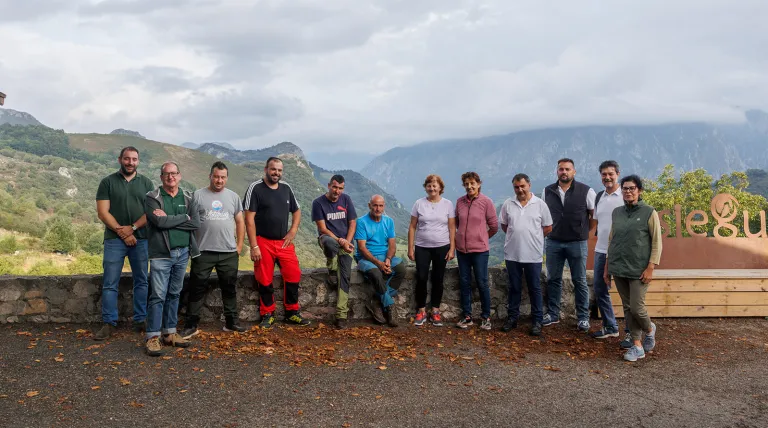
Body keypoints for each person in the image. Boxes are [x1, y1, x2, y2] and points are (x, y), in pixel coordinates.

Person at [93, 146, 155, 340]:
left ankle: (140, 320)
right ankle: (109, 323)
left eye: (134, 159)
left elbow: (150, 212)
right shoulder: (107, 182)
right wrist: (123, 232)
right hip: (114, 240)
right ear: (120, 159)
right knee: (110, 282)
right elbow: (103, 212)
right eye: (127, 159)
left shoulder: (146, 183)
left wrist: (133, 228)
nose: (130, 162)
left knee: (142, 281)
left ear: (138, 161)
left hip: (141, 238)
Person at [180, 162, 246, 339]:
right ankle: (191, 325)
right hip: (203, 251)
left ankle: (232, 322)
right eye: (216, 176)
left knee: (229, 287)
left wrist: (239, 246)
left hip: (228, 252)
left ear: (226, 178)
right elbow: (189, 221)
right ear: (210, 176)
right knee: (196, 287)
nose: (219, 180)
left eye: (223, 177)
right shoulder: (198, 196)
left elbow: (240, 222)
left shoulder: (233, 197)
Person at [244, 157, 310, 329]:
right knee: (264, 278)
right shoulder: (255, 188)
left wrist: (293, 230)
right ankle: (267, 313)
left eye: (279, 170)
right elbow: (248, 220)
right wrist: (254, 246)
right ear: (266, 169)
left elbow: (296, 211)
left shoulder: (286, 188)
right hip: (263, 241)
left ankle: (292, 312)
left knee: (294, 273)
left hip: (283, 242)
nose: (276, 173)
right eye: (273, 169)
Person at [144, 161, 200, 356]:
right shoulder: (153, 197)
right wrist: (184, 217)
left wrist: (171, 219)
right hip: (162, 254)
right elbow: (158, 222)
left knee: (174, 294)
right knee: (158, 295)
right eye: (166, 174)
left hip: (183, 252)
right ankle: (152, 337)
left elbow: (196, 223)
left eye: (174, 173)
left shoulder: (188, 197)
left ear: (180, 175)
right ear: (161, 177)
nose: (171, 177)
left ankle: (170, 333)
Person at [605, 175, 662, 362]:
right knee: (628, 308)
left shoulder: (649, 212)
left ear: (639, 191)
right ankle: (637, 346)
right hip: (619, 267)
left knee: (637, 308)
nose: (628, 191)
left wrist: (651, 267)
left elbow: (656, 242)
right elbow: (611, 239)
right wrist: (608, 267)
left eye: (632, 188)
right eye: (625, 188)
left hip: (639, 269)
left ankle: (649, 328)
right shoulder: (617, 212)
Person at [541, 158, 596, 332]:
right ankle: (553, 314)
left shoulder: (586, 191)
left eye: (567, 169)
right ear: (557, 171)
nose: (564, 172)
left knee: (579, 280)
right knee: (553, 279)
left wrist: (583, 232)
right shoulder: (547, 191)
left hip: (577, 243)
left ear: (574, 171)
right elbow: (543, 216)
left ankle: (583, 318)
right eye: (561, 169)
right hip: (554, 242)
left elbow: (593, 216)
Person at [498, 174, 552, 336]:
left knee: (535, 288)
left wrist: (533, 238)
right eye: (516, 187)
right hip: (512, 254)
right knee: (514, 287)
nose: (520, 190)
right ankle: (512, 319)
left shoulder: (540, 204)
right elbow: (504, 225)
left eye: (522, 186)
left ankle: (537, 321)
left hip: (533, 254)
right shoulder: (508, 204)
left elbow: (548, 227)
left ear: (529, 185)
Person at [589, 161, 629, 343]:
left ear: (618, 174)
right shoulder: (599, 197)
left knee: (626, 293)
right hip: (601, 250)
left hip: (621, 252)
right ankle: (610, 326)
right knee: (600, 288)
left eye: (610, 174)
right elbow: (597, 223)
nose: (607, 177)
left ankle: (630, 332)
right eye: (604, 174)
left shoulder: (626, 196)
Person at [407, 174, 455, 327]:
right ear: (425, 187)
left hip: (442, 246)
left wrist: (452, 248)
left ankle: (435, 311)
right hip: (422, 247)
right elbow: (413, 226)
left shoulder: (448, 204)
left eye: (435, 185)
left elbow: (452, 227)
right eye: (429, 185)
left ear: (440, 188)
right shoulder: (419, 204)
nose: (432, 188)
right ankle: (421, 311)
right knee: (421, 277)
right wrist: (410, 247)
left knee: (438, 278)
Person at [311, 174, 357, 329]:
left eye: (341, 188)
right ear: (329, 185)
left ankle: (341, 315)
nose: (337, 191)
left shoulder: (346, 200)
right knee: (330, 244)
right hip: (328, 239)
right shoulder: (318, 203)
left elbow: (352, 223)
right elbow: (322, 228)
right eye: (335, 187)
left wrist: (348, 242)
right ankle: (331, 267)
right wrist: (340, 241)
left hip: (346, 244)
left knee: (345, 277)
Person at [455, 172, 498, 330]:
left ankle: (486, 317)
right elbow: (458, 223)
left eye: (472, 183)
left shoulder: (486, 202)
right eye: (466, 184)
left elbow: (494, 226)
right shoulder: (460, 202)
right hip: (462, 250)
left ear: (479, 184)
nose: (469, 186)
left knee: (482, 282)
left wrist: (482, 238)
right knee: (464, 283)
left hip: (480, 251)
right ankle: (467, 316)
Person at [354, 194, 406, 327]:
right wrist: (379, 264)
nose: (377, 208)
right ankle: (389, 306)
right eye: (375, 205)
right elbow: (361, 248)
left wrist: (388, 259)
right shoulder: (361, 222)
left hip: (384, 256)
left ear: (384, 207)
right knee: (376, 273)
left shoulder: (388, 221)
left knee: (400, 268)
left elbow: (392, 245)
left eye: (380, 205)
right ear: (369, 205)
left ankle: (377, 300)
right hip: (366, 259)